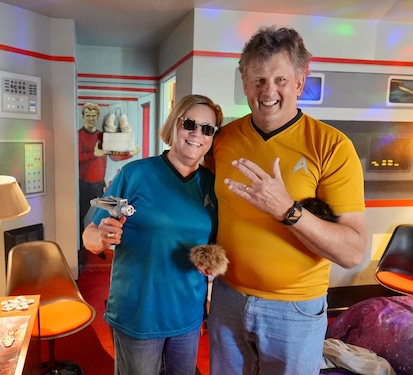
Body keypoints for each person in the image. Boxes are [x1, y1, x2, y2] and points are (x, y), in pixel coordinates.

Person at [203, 26, 367, 375]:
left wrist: (288, 210)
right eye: (258, 80)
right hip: (228, 297)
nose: (268, 91)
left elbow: (353, 252)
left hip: (295, 308)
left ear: (299, 81)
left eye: (280, 79)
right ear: (244, 83)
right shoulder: (222, 140)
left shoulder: (332, 147)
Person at [83, 94, 223, 375]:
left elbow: (214, 244)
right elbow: (90, 234)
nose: (197, 134)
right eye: (190, 124)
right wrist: (102, 238)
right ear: (174, 125)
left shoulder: (212, 185)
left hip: (187, 314)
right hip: (138, 314)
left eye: (207, 129)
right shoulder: (134, 174)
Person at [78, 103, 136, 256]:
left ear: (97, 117)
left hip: (100, 183)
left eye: (94, 116)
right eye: (88, 115)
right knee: (81, 216)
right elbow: (75, 158)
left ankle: (101, 246)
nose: (91, 119)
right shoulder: (79, 136)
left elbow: (113, 155)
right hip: (83, 184)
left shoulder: (101, 136)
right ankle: (80, 248)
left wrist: (130, 154)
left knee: (101, 218)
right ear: (83, 117)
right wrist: (94, 154)